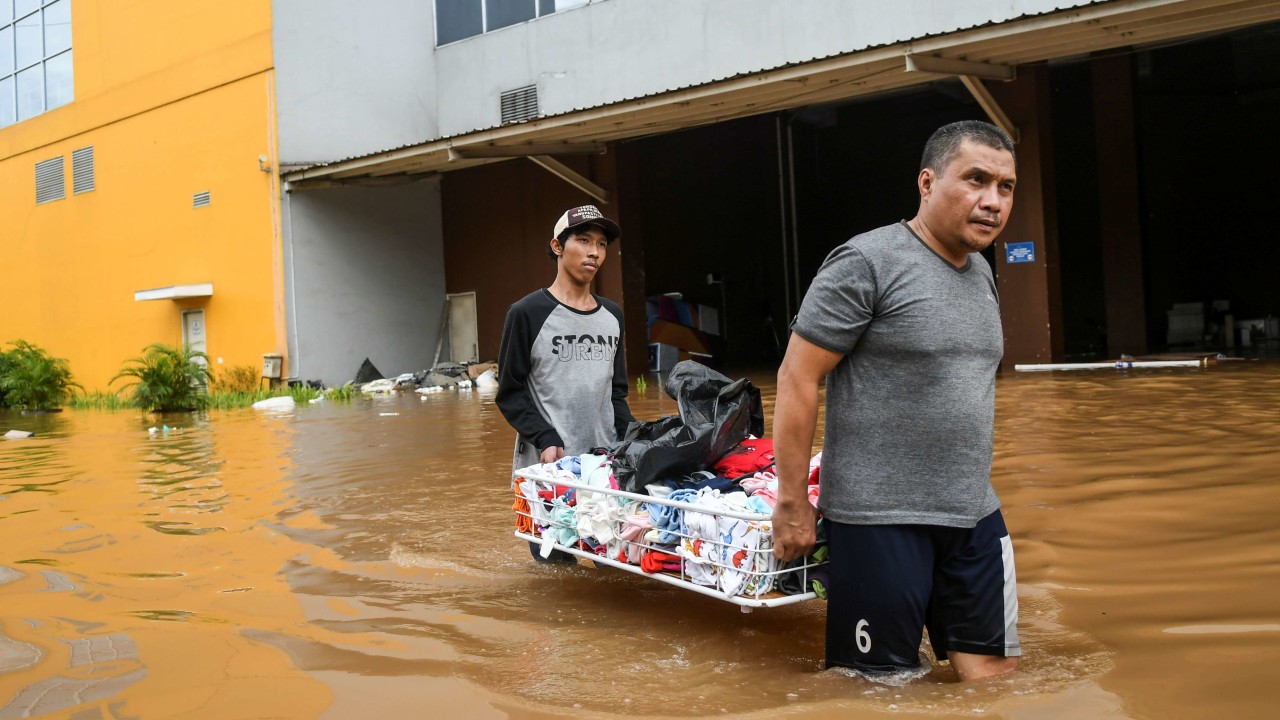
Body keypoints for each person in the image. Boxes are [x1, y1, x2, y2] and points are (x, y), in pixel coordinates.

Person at [771, 120, 1021, 681]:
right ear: (927, 183)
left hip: (973, 512)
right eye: (976, 179)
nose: (992, 201)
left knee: (995, 685)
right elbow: (796, 378)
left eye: (1005, 187)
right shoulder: (865, 263)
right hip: (879, 519)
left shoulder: (982, 271)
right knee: (878, 692)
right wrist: (791, 502)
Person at [497, 204, 636, 562]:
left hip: (604, 470)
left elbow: (616, 392)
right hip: (550, 472)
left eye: (602, 244)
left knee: (616, 575)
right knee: (560, 584)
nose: (594, 252)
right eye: (584, 240)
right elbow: (509, 392)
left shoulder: (612, 316)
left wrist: (633, 441)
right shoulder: (527, 313)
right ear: (558, 247)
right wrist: (544, 437)